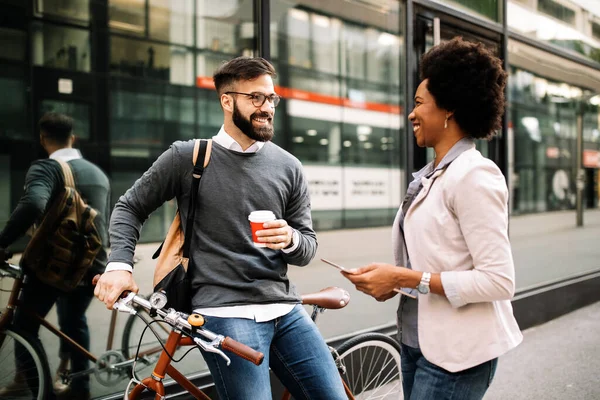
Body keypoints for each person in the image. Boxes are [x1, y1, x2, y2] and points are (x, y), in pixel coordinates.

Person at [94, 56, 347, 400]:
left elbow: (308, 247)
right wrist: (119, 265)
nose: (266, 107)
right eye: (255, 97)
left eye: (271, 98)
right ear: (227, 101)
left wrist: (289, 239)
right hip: (223, 310)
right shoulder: (188, 157)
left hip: (285, 308)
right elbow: (129, 207)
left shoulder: (289, 166)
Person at [342, 37, 523, 400]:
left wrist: (404, 277)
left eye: (419, 103)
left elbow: (498, 281)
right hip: (415, 341)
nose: (411, 113)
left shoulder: (474, 175)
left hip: (456, 354)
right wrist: (395, 283)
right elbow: (437, 259)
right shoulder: (433, 173)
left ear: (449, 110)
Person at [0, 112, 110, 400]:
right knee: (74, 324)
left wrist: (2, 242)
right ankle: (81, 389)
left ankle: (39, 391)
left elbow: (33, 204)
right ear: (72, 138)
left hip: (54, 266)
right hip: (90, 267)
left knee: (24, 326)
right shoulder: (98, 174)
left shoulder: (46, 168)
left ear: (42, 139)